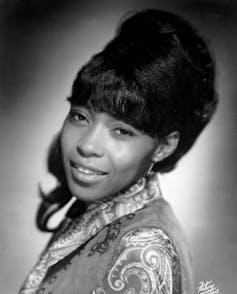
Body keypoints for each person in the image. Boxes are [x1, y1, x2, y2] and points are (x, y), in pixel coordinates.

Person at [19, 9, 218, 294]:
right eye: (80, 117)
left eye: (122, 131)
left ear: (163, 146)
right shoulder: (93, 209)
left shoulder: (142, 252)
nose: (87, 145)